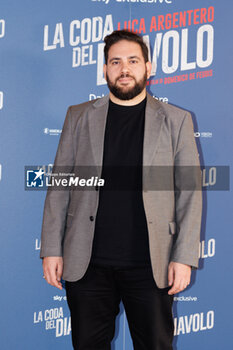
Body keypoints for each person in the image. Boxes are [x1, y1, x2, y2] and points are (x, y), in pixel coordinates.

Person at [40, 29, 202, 350]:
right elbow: (60, 185)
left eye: (132, 60)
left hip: (150, 264)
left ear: (148, 67)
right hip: (87, 264)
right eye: (115, 62)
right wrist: (51, 248)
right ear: (104, 69)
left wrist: (183, 257)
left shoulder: (177, 120)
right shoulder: (79, 116)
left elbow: (189, 194)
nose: (124, 68)